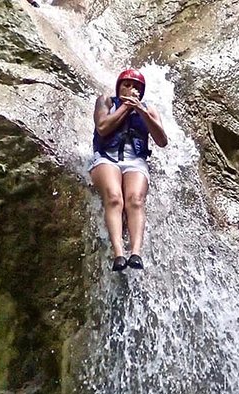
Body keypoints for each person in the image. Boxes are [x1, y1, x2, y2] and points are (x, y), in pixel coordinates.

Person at [89, 69, 168, 271]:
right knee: (114, 197)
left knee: (135, 199)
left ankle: (136, 253)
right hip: (107, 158)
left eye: (136, 88)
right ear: (119, 86)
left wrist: (140, 110)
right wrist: (125, 106)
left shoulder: (149, 109)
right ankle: (118, 254)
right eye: (127, 85)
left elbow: (161, 140)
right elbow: (103, 127)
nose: (131, 90)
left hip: (135, 161)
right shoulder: (106, 101)